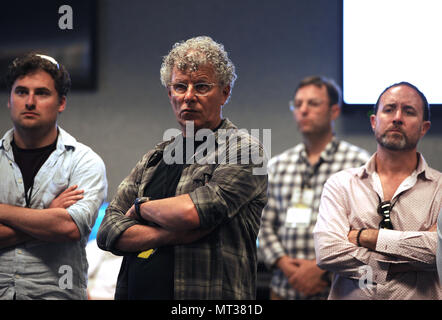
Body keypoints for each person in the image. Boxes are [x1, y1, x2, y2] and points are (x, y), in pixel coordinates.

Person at [97, 36, 268, 300]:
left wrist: (141, 208)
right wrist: (166, 235)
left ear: (225, 92)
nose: (188, 96)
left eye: (201, 86)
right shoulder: (154, 157)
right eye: (180, 87)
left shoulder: (245, 149)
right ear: (169, 93)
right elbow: (107, 229)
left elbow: (197, 212)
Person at [0, 53, 107, 299]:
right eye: (21, 92)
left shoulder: (84, 162)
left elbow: (68, 227)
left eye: (42, 93)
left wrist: (0, 211)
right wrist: (47, 216)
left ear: (61, 102)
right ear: (9, 101)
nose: (30, 102)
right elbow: (56, 224)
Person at [314, 81, 442, 299]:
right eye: (389, 109)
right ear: (374, 121)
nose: (397, 118)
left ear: (424, 128)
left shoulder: (439, 188)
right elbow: (328, 252)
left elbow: (437, 254)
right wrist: (400, 264)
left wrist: (366, 237)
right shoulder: (341, 184)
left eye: (409, 111)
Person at [257, 76, 370, 300]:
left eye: (313, 103)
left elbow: (364, 230)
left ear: (334, 111)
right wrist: (285, 265)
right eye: (297, 104)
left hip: (336, 288)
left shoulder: (358, 163)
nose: (303, 110)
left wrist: (320, 269)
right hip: (284, 287)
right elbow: (263, 225)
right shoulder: (278, 165)